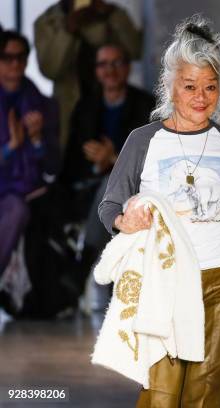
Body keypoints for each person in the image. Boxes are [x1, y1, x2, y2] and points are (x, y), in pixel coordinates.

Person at [98, 16, 220, 407]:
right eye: (190, 87)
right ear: (170, 86)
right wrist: (125, 221)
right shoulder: (144, 141)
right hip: (165, 281)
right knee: (161, 395)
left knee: (208, 393)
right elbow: (110, 205)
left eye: (210, 87)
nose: (201, 97)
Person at [60, 43, 154, 298]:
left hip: (135, 190)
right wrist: (96, 164)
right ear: (96, 71)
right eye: (103, 64)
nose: (110, 70)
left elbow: (152, 159)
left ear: (127, 68)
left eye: (116, 63)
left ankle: (85, 264)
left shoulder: (145, 105)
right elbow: (71, 161)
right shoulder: (85, 107)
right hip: (88, 188)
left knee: (112, 186)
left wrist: (113, 159)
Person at [0, 31, 60, 309]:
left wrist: (36, 141)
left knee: (17, 210)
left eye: (20, 58)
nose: (14, 65)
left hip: (26, 192)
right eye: (7, 58)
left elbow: (51, 168)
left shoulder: (43, 105)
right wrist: (11, 147)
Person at [34, 0, 142, 151]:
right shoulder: (47, 22)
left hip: (111, 105)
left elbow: (135, 50)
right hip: (69, 108)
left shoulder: (108, 13)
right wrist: (68, 29)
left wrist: (112, 15)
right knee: (74, 161)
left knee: (118, 157)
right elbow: (50, 70)